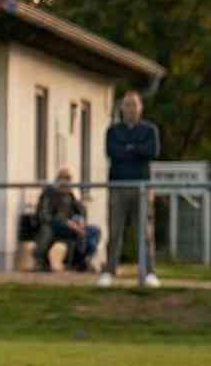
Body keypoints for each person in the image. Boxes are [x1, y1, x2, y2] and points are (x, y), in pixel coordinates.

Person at [101, 90, 161, 288]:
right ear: (121, 108)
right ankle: (109, 271)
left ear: (141, 108)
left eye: (134, 105)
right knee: (115, 231)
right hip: (118, 186)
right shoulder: (113, 131)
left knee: (145, 232)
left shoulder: (149, 130)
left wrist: (129, 148)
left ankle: (149, 273)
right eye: (127, 105)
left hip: (142, 186)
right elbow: (112, 152)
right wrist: (135, 149)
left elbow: (152, 152)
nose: (130, 109)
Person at [34, 167, 99, 272]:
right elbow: (45, 215)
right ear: (58, 179)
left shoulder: (69, 194)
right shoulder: (49, 193)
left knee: (94, 231)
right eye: (63, 178)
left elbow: (79, 209)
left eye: (68, 179)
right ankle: (44, 262)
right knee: (49, 231)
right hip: (55, 226)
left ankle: (82, 260)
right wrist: (68, 223)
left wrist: (81, 220)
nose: (66, 181)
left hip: (70, 226)